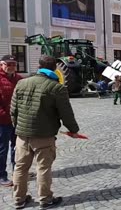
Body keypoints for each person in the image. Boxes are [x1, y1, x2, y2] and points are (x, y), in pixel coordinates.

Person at [11, 55, 80, 209]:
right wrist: (73, 130)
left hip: (22, 135)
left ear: (38, 66)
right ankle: (45, 199)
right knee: (43, 168)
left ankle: (19, 199)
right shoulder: (57, 87)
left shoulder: (21, 83)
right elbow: (66, 113)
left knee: (20, 167)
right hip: (44, 135)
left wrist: (18, 127)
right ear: (55, 68)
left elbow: (13, 109)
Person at [0, 55, 22, 187]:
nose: (11, 66)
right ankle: (1, 175)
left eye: (13, 64)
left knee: (17, 147)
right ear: (2, 65)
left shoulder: (19, 78)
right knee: (2, 149)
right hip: (2, 121)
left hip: (17, 120)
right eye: (8, 64)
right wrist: (4, 114)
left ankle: (17, 171)